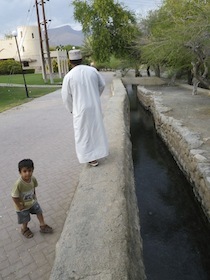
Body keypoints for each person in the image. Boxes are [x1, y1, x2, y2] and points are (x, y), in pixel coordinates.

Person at [61, 49, 109, 167]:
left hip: (80, 109)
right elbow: (102, 85)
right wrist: (95, 96)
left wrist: (72, 109)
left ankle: (90, 158)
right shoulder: (92, 71)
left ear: (70, 61)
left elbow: (66, 96)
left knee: (83, 133)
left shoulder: (69, 76)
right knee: (96, 129)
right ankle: (98, 153)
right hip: (94, 107)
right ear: (81, 59)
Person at [11, 159, 53, 238]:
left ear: (32, 170)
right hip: (22, 206)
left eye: (30, 171)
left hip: (32, 202)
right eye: (25, 171)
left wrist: (35, 196)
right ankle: (24, 229)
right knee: (25, 219)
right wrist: (19, 205)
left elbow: (33, 188)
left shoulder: (33, 179)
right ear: (20, 172)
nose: (27, 173)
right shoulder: (18, 184)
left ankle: (42, 225)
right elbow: (14, 196)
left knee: (39, 212)